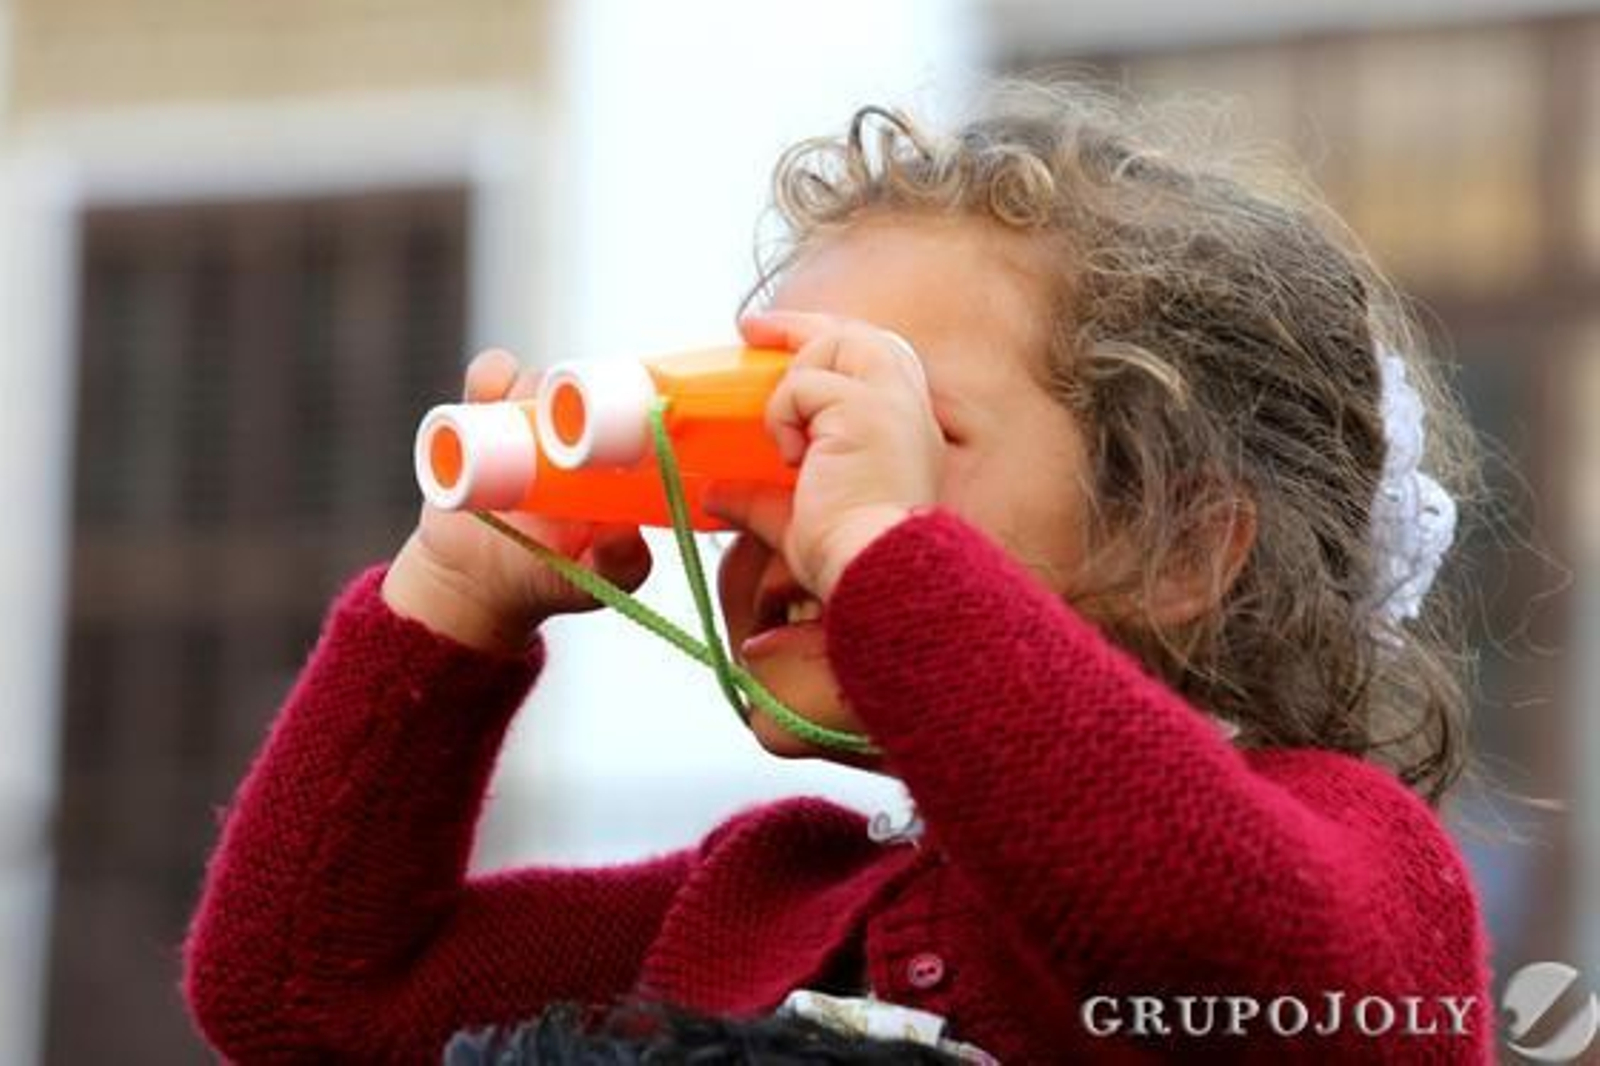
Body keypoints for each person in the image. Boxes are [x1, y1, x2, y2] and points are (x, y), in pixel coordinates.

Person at [183, 81, 1492, 1063]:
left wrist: (885, 557)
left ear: (1188, 546)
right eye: (774, 434)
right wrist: (453, 611)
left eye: (886, 431)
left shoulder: (1353, 856)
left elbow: (1232, 948)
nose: (796, 502)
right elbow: (304, 1001)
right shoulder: (765, 892)